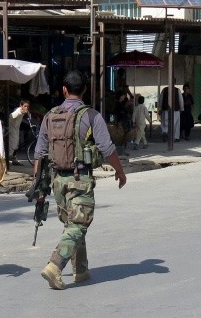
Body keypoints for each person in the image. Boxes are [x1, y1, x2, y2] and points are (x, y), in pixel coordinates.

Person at [33, 71, 126, 290]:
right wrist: (120, 171)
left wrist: (38, 186)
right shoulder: (91, 115)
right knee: (78, 224)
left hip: (57, 181)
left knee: (73, 223)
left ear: (64, 90)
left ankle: (81, 270)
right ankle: (55, 265)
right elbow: (107, 148)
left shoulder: (49, 116)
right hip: (80, 179)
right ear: (84, 90)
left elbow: (39, 153)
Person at [8, 99, 30, 165]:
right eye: (25, 106)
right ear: (21, 105)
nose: (26, 108)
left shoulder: (24, 111)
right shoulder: (17, 111)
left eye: (27, 106)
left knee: (16, 144)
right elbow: (11, 116)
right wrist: (20, 112)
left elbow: (29, 115)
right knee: (14, 145)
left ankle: (14, 159)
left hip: (16, 129)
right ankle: (9, 157)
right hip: (12, 129)